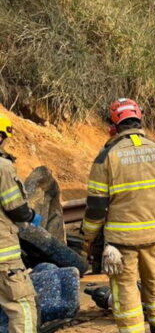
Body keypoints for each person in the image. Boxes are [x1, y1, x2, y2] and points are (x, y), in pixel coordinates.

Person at [81, 98, 155, 333]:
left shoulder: (107, 157)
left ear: (113, 125)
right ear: (139, 120)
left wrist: (89, 237)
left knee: (125, 290)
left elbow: (96, 206)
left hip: (122, 241)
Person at [0, 113, 42, 333]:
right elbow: (15, 207)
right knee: (22, 306)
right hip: (3, 255)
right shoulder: (2, 168)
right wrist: (30, 215)